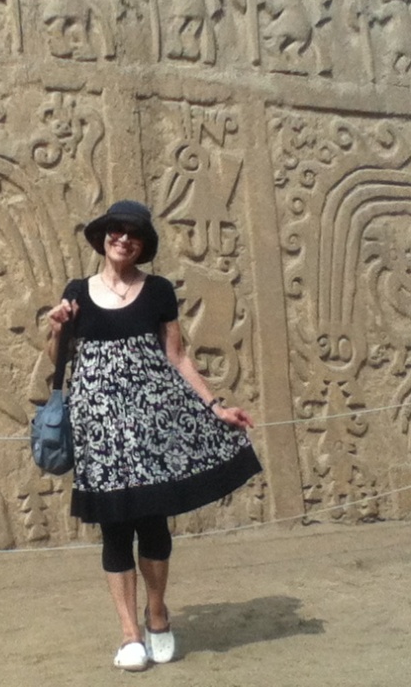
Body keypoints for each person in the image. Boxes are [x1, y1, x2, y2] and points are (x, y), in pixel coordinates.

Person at [46, 200, 262, 671]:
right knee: (114, 530)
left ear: (143, 244)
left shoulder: (158, 290)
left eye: (134, 234)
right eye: (117, 230)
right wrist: (58, 327)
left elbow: (177, 356)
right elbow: (57, 358)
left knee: (152, 524)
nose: (124, 239)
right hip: (99, 430)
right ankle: (130, 634)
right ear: (104, 236)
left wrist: (216, 407)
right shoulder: (77, 291)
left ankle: (157, 615)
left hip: (152, 425)